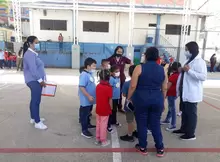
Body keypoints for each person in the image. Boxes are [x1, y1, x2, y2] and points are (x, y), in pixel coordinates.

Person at [127, 47, 167, 157]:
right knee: (155, 124)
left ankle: (143, 147)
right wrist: (162, 101)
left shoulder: (139, 68)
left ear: (146, 56)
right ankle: (160, 148)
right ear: (157, 57)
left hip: (141, 99)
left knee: (142, 124)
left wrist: (128, 98)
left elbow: (133, 85)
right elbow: (164, 88)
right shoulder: (162, 69)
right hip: (157, 99)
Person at [173, 41, 207, 140]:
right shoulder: (188, 60)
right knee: (184, 112)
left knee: (191, 114)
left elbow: (203, 77)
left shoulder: (200, 62)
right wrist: (181, 69)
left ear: (192, 50)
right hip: (185, 91)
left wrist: (189, 71)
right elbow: (185, 71)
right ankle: (183, 129)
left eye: (187, 49)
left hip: (192, 92)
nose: (185, 51)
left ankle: (190, 134)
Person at [23, 36, 47, 130]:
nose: (38, 44)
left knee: (34, 100)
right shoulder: (29, 54)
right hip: (34, 80)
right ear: (30, 43)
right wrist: (40, 81)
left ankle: (34, 118)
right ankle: (37, 122)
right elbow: (33, 70)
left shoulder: (33, 54)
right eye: (36, 42)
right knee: (36, 101)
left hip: (35, 80)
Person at [107, 46, 132, 113]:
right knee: (112, 92)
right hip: (113, 79)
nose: (119, 53)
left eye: (121, 52)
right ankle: (112, 105)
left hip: (121, 78)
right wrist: (109, 71)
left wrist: (131, 68)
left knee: (120, 92)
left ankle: (119, 107)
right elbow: (105, 62)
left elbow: (130, 62)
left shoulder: (124, 58)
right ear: (115, 51)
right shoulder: (111, 58)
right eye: (118, 51)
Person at [79, 57, 97, 138]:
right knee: (84, 114)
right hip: (86, 99)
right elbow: (81, 87)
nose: (94, 67)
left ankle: (88, 124)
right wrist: (88, 96)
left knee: (88, 113)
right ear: (88, 66)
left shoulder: (89, 74)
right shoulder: (84, 75)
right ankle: (84, 130)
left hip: (90, 99)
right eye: (93, 66)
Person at [161, 62, 181, 131]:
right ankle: (167, 119)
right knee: (171, 107)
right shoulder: (179, 75)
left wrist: (164, 93)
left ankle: (173, 124)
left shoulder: (173, 76)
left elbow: (167, 87)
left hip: (171, 94)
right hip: (175, 93)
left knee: (172, 108)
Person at [120, 65, 138, 142]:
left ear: (130, 74)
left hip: (130, 105)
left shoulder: (127, 83)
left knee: (130, 120)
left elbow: (124, 94)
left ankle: (130, 135)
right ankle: (136, 132)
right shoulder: (142, 83)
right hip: (140, 104)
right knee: (138, 119)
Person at [95, 69, 112, 147]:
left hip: (98, 108)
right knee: (103, 125)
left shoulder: (98, 86)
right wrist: (111, 108)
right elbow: (110, 100)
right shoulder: (109, 88)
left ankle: (97, 138)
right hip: (105, 109)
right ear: (109, 78)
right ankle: (103, 140)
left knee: (98, 123)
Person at [108, 65, 121, 133]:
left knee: (114, 110)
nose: (118, 73)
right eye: (116, 72)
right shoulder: (111, 79)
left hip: (116, 97)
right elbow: (109, 89)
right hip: (112, 98)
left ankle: (114, 121)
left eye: (118, 71)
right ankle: (108, 125)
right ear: (111, 72)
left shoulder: (118, 78)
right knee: (110, 111)